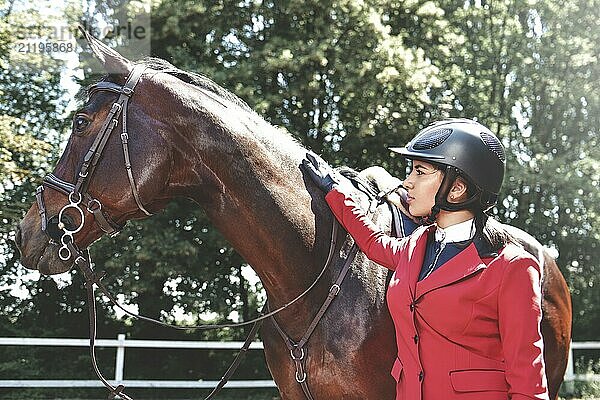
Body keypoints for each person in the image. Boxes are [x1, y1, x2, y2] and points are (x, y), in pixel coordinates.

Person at [302, 118, 549, 400]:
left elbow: (529, 384)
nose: (407, 181)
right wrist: (336, 190)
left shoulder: (513, 268)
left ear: (457, 188)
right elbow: (373, 242)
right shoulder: (415, 246)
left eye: (420, 171)